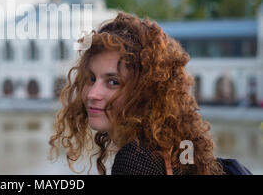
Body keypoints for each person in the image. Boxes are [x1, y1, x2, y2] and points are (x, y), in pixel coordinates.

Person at [48, 12, 225, 175]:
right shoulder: (173, 146)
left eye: (113, 82)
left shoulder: (135, 159)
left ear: (143, 91)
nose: (92, 94)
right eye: (91, 78)